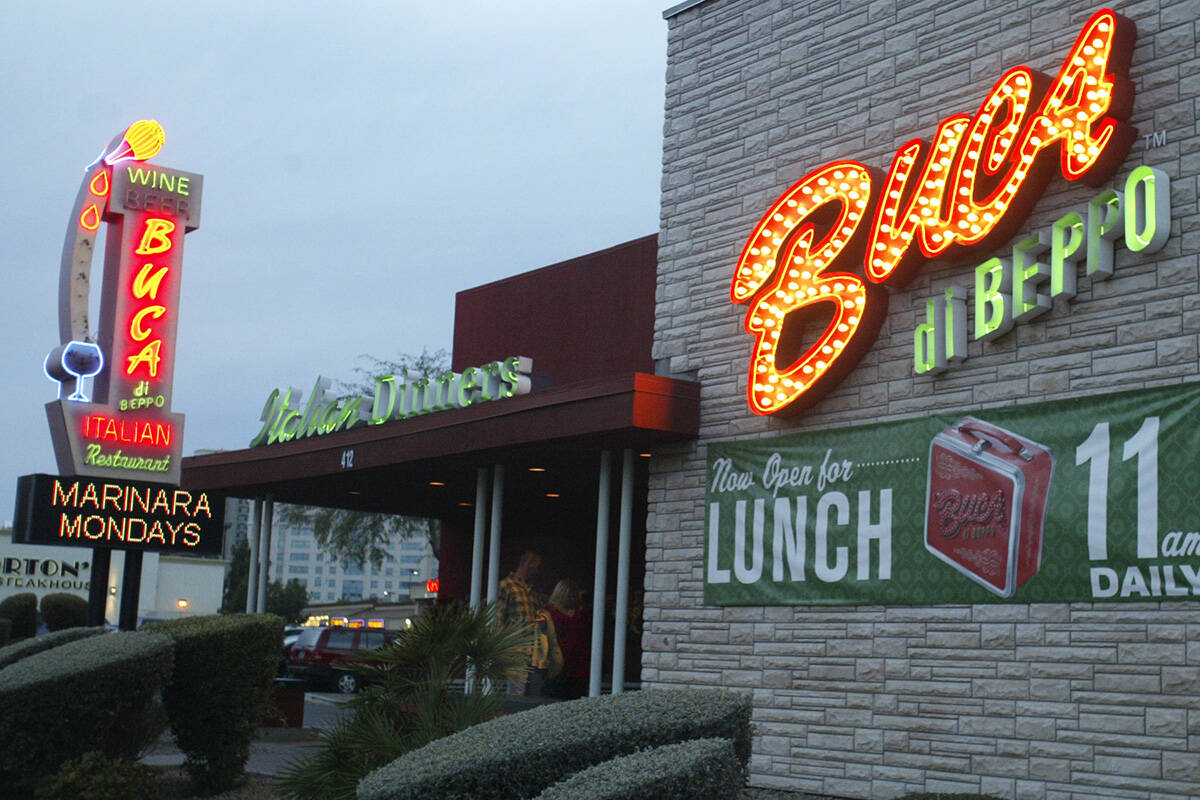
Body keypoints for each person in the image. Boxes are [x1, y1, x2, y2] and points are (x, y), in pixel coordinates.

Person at [497, 550, 543, 695]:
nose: (537, 571)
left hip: (532, 650)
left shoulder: (530, 589)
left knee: (531, 691)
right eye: (536, 566)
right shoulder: (507, 585)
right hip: (516, 648)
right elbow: (498, 616)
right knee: (516, 691)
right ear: (528, 565)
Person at [542, 578, 590, 700]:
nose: (573, 598)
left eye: (575, 595)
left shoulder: (581, 611)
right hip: (558, 661)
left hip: (579, 663)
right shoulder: (550, 611)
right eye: (570, 595)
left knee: (576, 695)